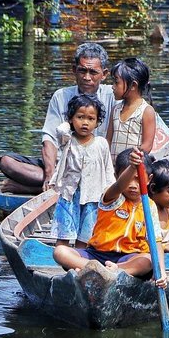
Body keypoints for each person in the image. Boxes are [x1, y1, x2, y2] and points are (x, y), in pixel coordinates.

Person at [0, 43, 116, 194]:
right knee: (7, 162)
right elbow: (49, 139)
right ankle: (55, 185)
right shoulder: (61, 96)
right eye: (82, 71)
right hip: (61, 166)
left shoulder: (113, 96)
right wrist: (49, 176)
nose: (87, 77)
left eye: (93, 72)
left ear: (104, 74)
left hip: (97, 168)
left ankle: (29, 189)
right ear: (74, 70)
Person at [52, 148, 167, 289]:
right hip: (96, 255)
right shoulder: (113, 197)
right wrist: (132, 167)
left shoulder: (149, 206)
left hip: (127, 258)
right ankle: (97, 270)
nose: (132, 185)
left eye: (138, 179)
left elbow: (156, 242)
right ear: (116, 176)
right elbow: (119, 186)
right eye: (128, 179)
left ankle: (112, 270)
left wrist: (161, 271)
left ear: (148, 180)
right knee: (60, 252)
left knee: (148, 260)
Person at [48, 94, 115, 249]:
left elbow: (108, 170)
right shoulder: (68, 140)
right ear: (71, 119)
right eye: (80, 117)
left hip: (93, 196)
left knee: (85, 237)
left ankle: (78, 263)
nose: (85, 123)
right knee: (63, 234)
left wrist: (110, 192)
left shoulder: (101, 143)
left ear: (97, 122)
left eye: (91, 119)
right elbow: (60, 130)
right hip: (70, 195)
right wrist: (69, 122)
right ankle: (63, 258)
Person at [106, 58, 156, 163]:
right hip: (113, 168)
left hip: (132, 167)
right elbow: (108, 140)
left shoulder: (146, 111)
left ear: (133, 85)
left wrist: (131, 160)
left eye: (116, 82)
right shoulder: (116, 109)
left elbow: (147, 145)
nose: (113, 87)